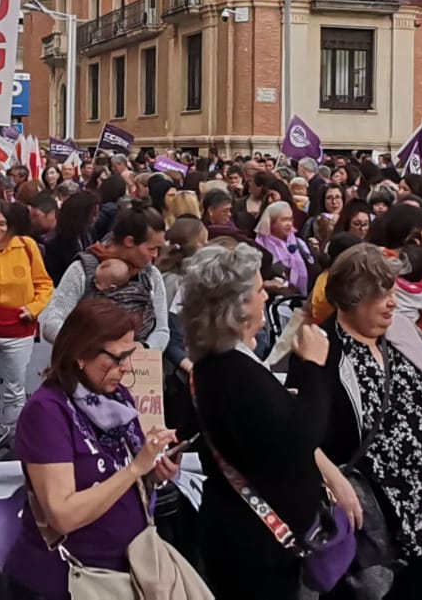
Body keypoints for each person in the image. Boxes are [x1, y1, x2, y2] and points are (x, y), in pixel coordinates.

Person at [180, 244, 343, 600]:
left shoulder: (220, 361)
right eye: (257, 290)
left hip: (248, 537)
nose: (265, 294)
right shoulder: (232, 369)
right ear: (236, 307)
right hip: (255, 546)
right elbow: (301, 438)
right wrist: (314, 368)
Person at [315, 244, 422, 594]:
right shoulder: (322, 350)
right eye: (379, 295)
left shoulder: (401, 331)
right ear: (350, 299)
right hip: (376, 518)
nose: (392, 303)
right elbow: (302, 433)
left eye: (392, 291)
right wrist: (336, 482)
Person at [5, 299, 184, 598]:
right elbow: (62, 515)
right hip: (66, 580)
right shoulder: (48, 412)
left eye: (130, 355)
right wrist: (136, 468)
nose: (126, 368)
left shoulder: (118, 398)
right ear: (80, 354)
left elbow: (119, 478)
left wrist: (153, 474)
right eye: (116, 358)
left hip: (125, 569)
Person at [0, 202, 53, 430]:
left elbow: (44, 284)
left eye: (2, 224)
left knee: (15, 391)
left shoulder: (27, 247)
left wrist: (34, 308)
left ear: (10, 225)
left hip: (19, 329)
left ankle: (12, 445)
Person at [41, 208, 170, 350]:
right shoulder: (82, 270)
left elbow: (162, 330)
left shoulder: (151, 275)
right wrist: (92, 348)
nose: (156, 255)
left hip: (138, 368)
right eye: (152, 248)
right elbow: (52, 323)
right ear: (129, 241)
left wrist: (144, 348)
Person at [253, 200, 314, 296]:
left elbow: (313, 271)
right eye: (284, 220)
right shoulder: (258, 247)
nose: (289, 224)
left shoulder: (299, 243)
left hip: (301, 299)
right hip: (273, 302)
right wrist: (266, 285)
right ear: (271, 222)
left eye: (290, 219)